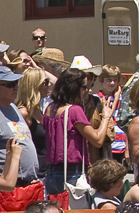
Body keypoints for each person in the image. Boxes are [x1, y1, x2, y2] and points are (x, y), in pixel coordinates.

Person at [0, 64, 42, 213]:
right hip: (9, 191)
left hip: (28, 187)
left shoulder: (12, 107)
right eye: (10, 84)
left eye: (16, 83)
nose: (15, 87)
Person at [44, 68, 114, 196]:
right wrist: (106, 116)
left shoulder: (50, 108)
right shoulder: (74, 110)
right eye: (83, 87)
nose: (86, 91)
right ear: (74, 88)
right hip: (72, 172)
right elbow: (97, 140)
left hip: (51, 172)